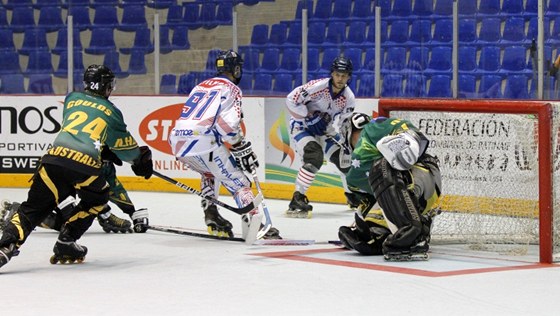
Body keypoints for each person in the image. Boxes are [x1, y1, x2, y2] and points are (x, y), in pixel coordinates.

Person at [0, 64, 153, 268]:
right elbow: (126, 149)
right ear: (106, 86)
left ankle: (4, 247)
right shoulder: (112, 112)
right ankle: (67, 240)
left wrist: (104, 149)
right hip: (85, 168)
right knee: (97, 199)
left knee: (32, 209)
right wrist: (139, 161)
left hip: (53, 161)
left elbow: (82, 130)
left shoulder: (71, 98)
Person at [168, 49, 279, 240]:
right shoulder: (232, 89)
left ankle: (211, 214)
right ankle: (255, 223)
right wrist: (240, 146)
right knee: (239, 183)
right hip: (203, 141)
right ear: (236, 69)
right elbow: (228, 126)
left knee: (209, 173)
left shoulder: (200, 86)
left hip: (177, 140)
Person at [338, 116, 442, 261]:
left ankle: (412, 235)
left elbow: (412, 133)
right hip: (416, 202)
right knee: (368, 235)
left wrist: (407, 140)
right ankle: (412, 231)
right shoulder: (354, 178)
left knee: (381, 166)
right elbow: (377, 204)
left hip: (423, 175)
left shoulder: (372, 129)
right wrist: (365, 230)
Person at [285, 56, 356, 218]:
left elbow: (345, 123)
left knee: (345, 159)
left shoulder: (348, 97)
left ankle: (352, 194)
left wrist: (346, 143)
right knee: (314, 156)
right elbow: (291, 99)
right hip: (301, 127)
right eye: (338, 74)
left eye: (344, 75)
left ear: (349, 77)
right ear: (332, 74)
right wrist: (307, 115)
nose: (340, 78)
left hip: (325, 130)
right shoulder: (317, 87)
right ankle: (297, 197)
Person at [39, 151, 147, 234]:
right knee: (71, 217)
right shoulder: (84, 155)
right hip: (56, 178)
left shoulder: (105, 164)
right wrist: (105, 214)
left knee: (74, 222)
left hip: (63, 174)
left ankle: (46, 218)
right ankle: (33, 214)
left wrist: (132, 211)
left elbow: (113, 189)